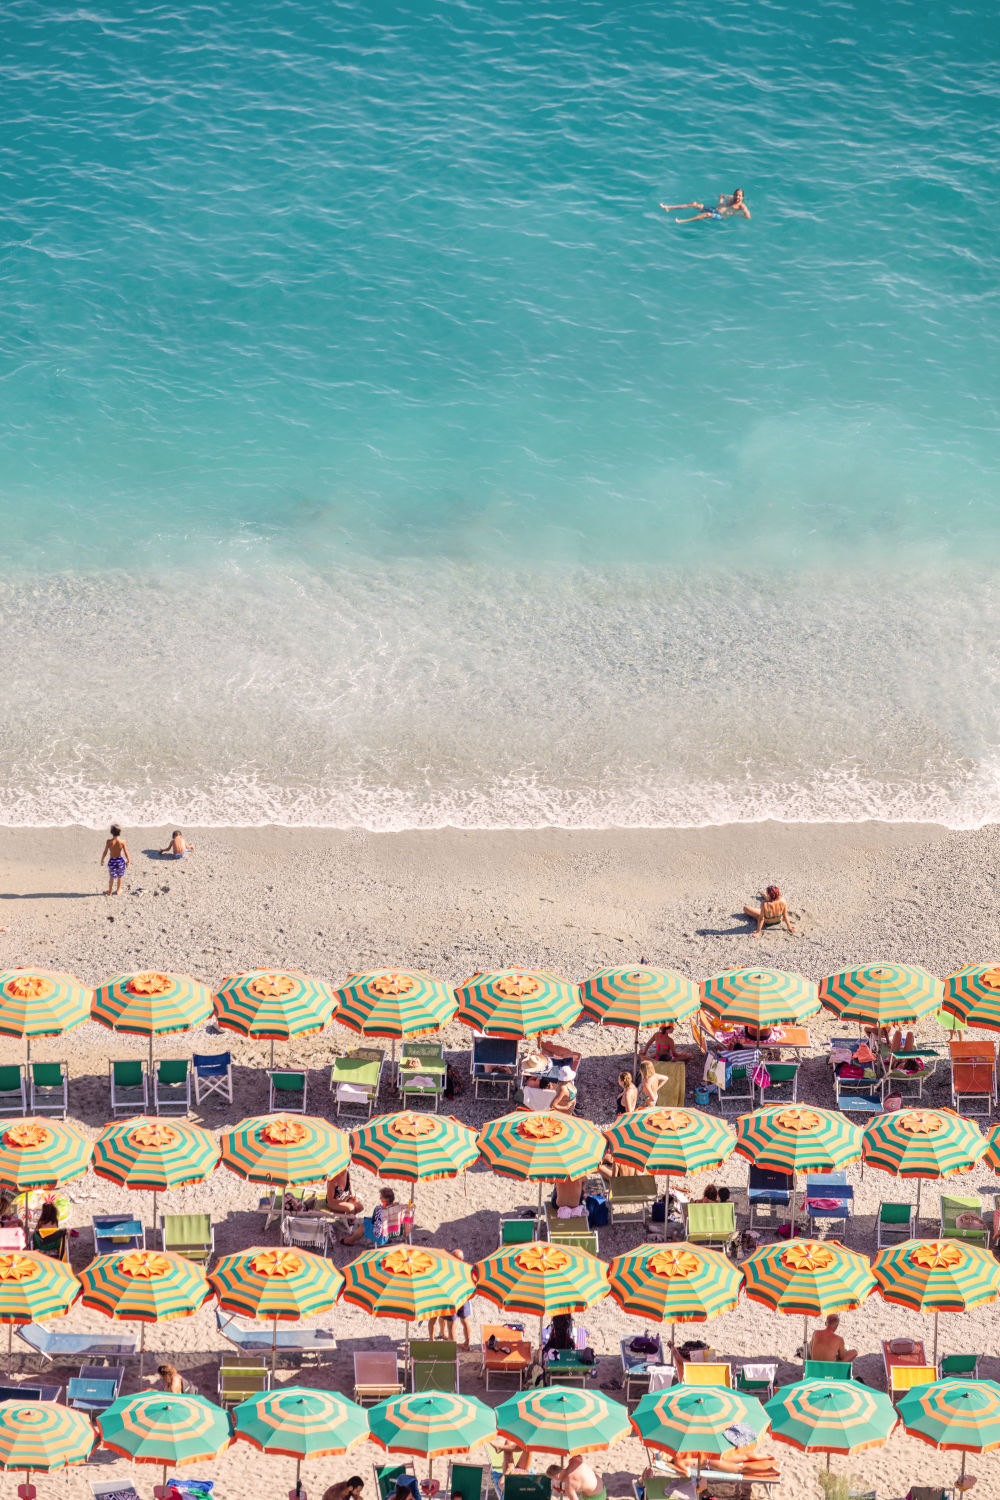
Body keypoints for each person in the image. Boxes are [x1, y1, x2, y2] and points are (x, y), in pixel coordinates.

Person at [438, 1250, 472, 1350]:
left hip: (452, 1299)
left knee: (451, 1325)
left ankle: (452, 1350)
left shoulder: (448, 1269)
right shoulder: (466, 1268)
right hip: (463, 1297)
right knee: (465, 1321)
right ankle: (467, 1344)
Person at [661, 188, 751, 223]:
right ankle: (669, 207)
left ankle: (683, 221)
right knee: (694, 204)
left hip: (720, 216)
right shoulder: (731, 198)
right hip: (715, 209)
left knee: (707, 215)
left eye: (739, 195)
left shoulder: (742, 206)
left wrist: (735, 214)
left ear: (742, 197)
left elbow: (748, 216)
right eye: (736, 194)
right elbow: (721, 195)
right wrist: (722, 200)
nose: (737, 197)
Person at [101, 823, 130, 896]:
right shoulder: (122, 841)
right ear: (120, 832)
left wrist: (102, 859)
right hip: (120, 861)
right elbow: (126, 852)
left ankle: (110, 891)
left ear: (111, 832)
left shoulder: (109, 842)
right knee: (120, 876)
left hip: (112, 861)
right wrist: (128, 861)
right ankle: (118, 890)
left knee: (111, 877)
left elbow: (105, 852)